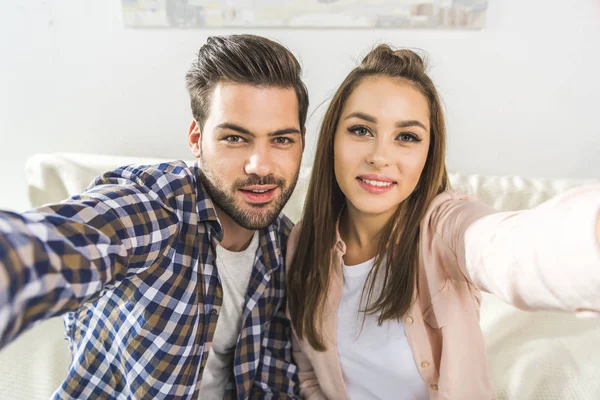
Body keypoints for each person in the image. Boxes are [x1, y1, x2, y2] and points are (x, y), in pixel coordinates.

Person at [0, 34, 308, 399]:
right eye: (235, 138)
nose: (260, 165)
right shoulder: (155, 207)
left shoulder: (287, 249)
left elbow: (275, 383)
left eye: (282, 140)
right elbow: (51, 246)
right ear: (196, 140)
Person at [286, 44, 600, 399]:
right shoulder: (302, 242)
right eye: (361, 130)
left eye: (407, 137)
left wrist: (588, 236)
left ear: (428, 154)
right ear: (331, 140)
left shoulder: (445, 227)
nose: (379, 156)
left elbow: (506, 248)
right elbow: (309, 372)